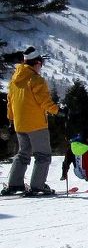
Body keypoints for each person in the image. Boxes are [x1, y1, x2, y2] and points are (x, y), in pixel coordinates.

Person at [1, 47, 62, 196]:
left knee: (23, 154)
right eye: (41, 65)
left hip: (20, 124)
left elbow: (10, 102)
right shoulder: (35, 80)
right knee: (43, 155)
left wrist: (11, 120)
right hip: (36, 125)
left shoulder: (15, 79)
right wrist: (58, 111)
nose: (41, 68)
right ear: (36, 63)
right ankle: (38, 186)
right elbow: (44, 101)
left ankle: (15, 184)